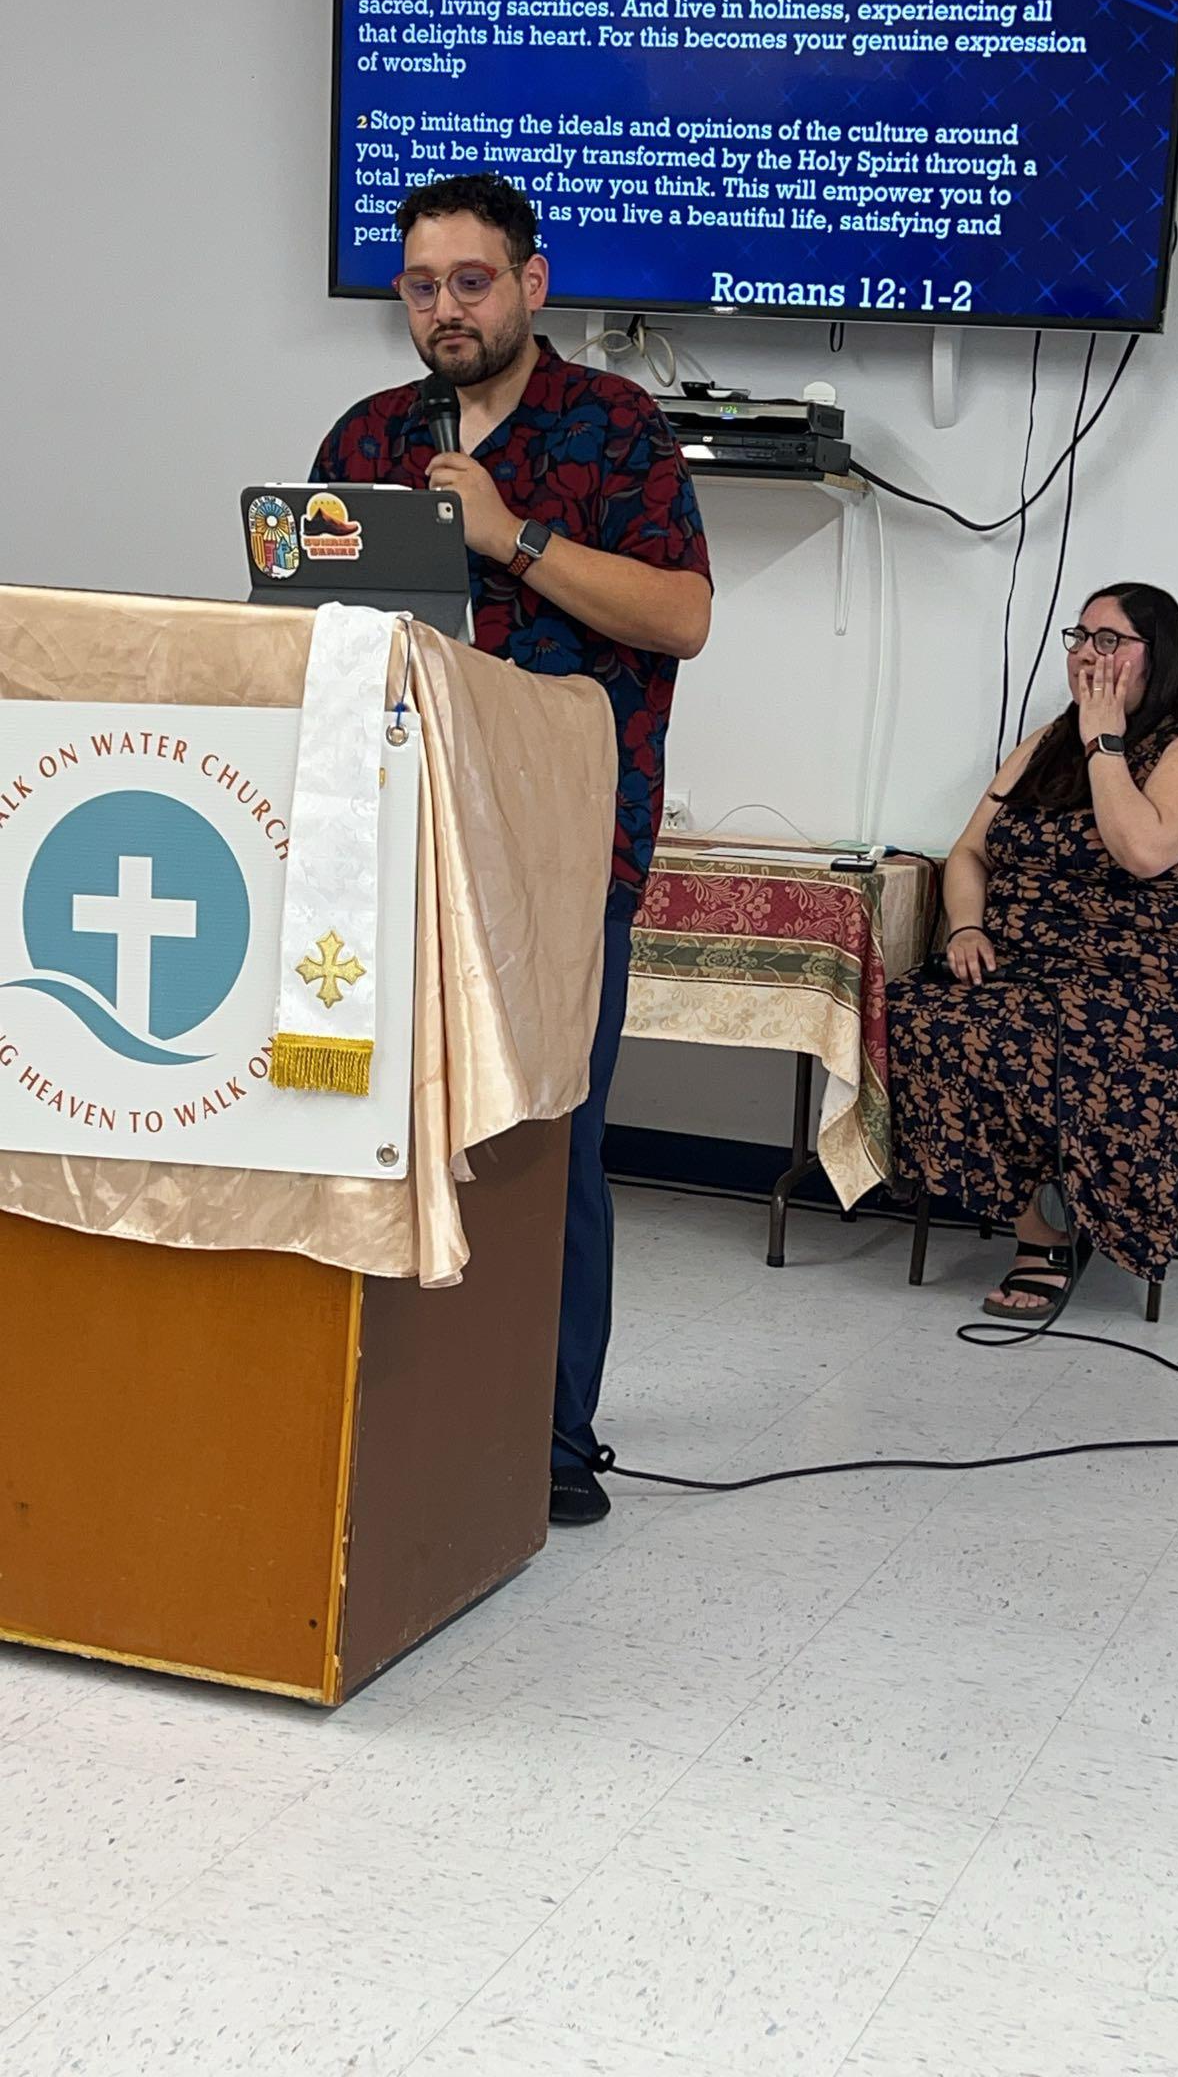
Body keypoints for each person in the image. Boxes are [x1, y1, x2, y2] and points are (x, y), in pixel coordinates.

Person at [311, 173, 712, 1522]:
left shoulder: (615, 427)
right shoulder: (368, 434)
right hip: (386, 840)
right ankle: (381, 1408)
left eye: (471, 282)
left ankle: (552, 1441)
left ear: (531, 285)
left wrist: (510, 537)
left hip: (561, 857)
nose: (445, 309)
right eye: (421, 286)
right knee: (375, 1124)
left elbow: (681, 616)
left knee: (548, 1141)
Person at [887, 583, 1178, 1316]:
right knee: (917, 1013)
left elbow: (1141, 851)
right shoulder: (1048, 742)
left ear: (1157, 655)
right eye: (1079, 637)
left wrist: (1104, 744)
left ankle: (1067, 1230)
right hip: (1029, 965)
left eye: (1110, 641)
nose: (1087, 654)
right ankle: (1039, 1217)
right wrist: (966, 927)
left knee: (1033, 1037)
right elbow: (969, 852)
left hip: (1157, 986)